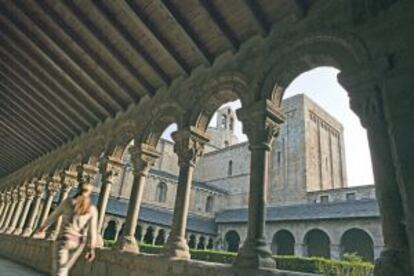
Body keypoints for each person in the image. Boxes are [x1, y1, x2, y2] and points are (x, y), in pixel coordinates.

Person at [35, 183, 98, 276]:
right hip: (78, 243)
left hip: (64, 239)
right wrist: (91, 248)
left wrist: (42, 227)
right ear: (90, 193)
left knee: (60, 272)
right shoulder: (92, 209)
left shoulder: (68, 202)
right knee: (64, 270)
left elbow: (54, 216)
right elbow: (93, 231)